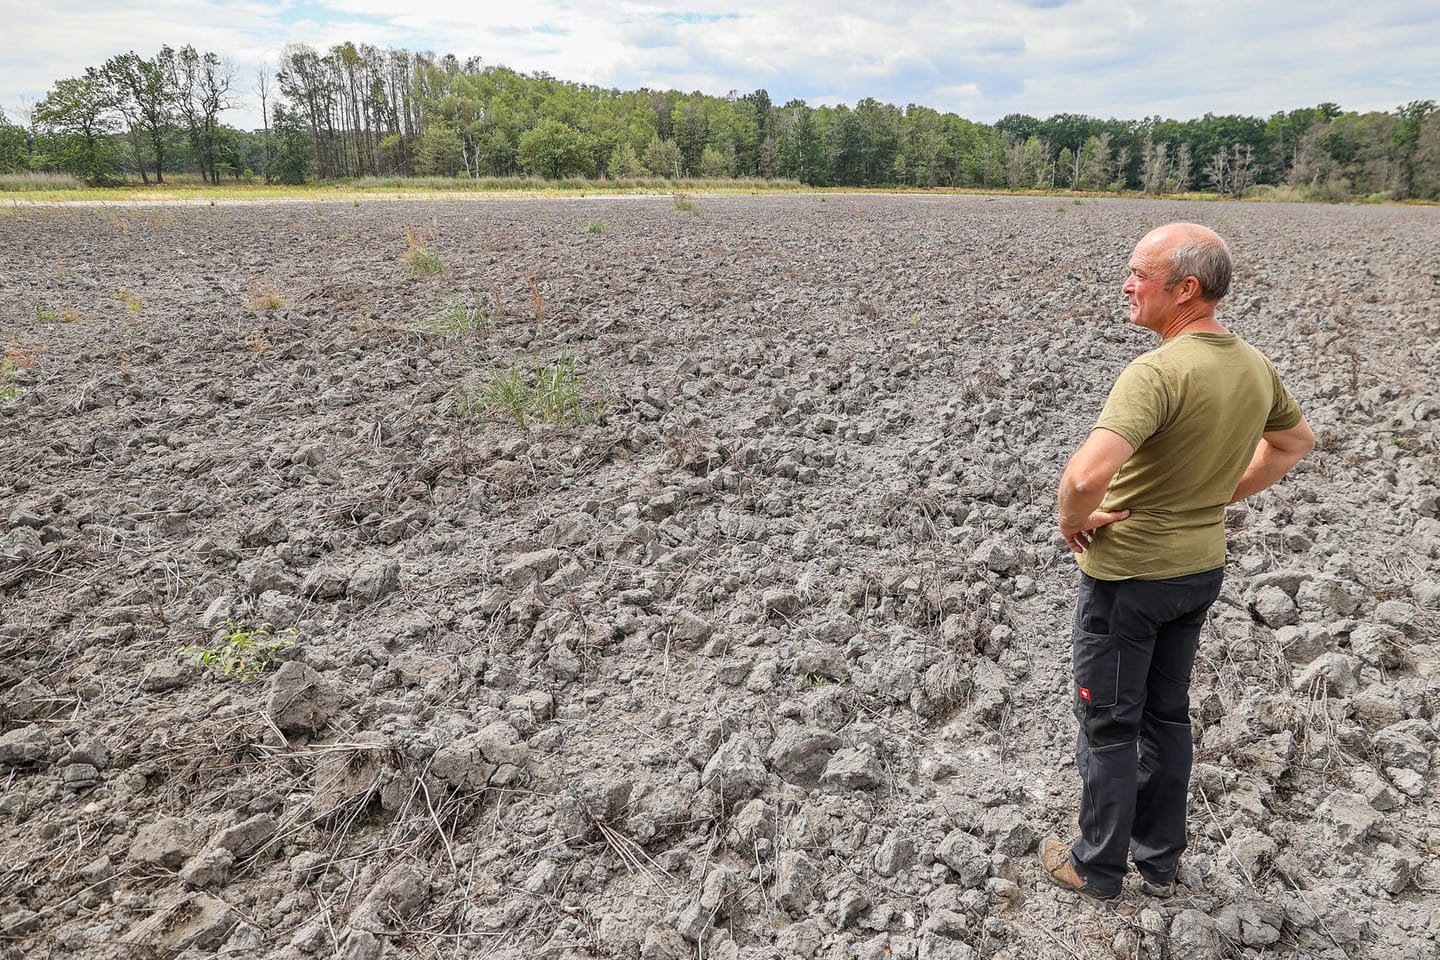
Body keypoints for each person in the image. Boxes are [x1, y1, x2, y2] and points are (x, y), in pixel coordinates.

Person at [1038, 222, 1315, 901]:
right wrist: (1214, 494)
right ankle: (1159, 861)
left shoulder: (1157, 371)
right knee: (1165, 717)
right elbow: (1293, 442)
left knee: (1108, 722)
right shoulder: (1251, 364)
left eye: (1139, 274)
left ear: (1186, 289)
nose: (1126, 285)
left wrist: (1073, 520)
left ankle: (1096, 868)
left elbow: (1082, 478)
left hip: (1129, 580)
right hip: (1197, 574)